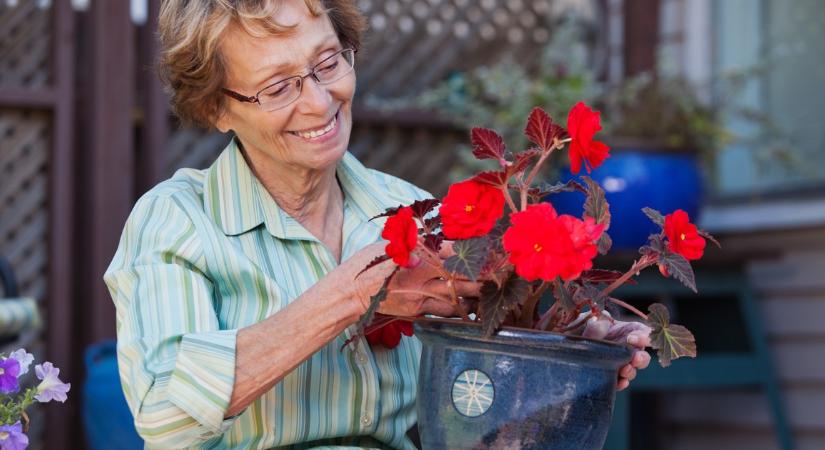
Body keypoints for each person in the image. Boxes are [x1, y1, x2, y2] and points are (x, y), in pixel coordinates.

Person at [104, 1, 651, 448]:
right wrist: (359, 291)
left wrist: (572, 343)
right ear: (217, 108)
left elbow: (484, 374)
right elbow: (165, 418)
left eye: (327, 63)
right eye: (277, 87)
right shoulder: (179, 219)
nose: (320, 102)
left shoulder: (413, 211)